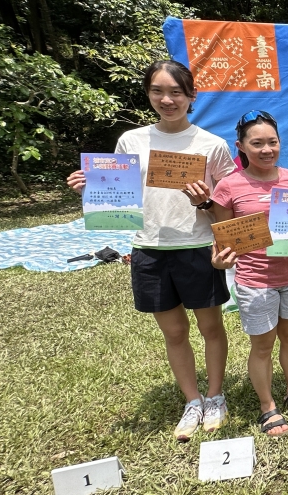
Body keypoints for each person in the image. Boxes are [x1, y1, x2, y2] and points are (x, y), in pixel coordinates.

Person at [66, 60, 235, 442]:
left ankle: (215, 395)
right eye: (158, 91)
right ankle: (192, 400)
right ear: (148, 95)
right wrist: (91, 189)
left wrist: (206, 202)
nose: (167, 99)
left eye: (176, 92)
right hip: (149, 249)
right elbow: (118, 195)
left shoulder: (212, 145)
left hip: (197, 247)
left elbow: (227, 208)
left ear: (192, 96)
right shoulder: (131, 141)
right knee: (174, 332)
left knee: (211, 327)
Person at [210, 110, 288, 436]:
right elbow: (221, 242)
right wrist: (220, 261)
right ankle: (266, 405)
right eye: (256, 143)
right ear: (241, 147)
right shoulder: (228, 187)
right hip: (256, 280)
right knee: (262, 346)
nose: (266, 149)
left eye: (272, 142)